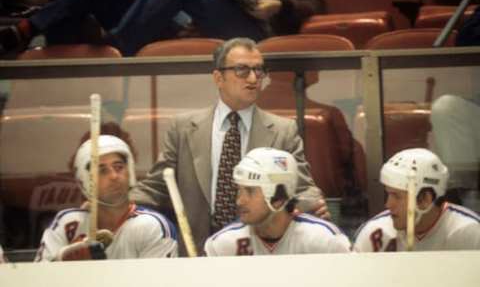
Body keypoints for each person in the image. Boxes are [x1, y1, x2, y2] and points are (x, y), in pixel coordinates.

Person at [129, 37, 329, 255]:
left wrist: (312, 204)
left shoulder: (283, 131)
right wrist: (113, 204)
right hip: (196, 253)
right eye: (242, 70)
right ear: (218, 77)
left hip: (254, 252)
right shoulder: (183, 128)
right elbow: (157, 187)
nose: (253, 78)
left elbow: (303, 189)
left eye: (259, 70)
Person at [0, 0, 326, 56]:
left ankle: (120, 46)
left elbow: (318, 2)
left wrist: (280, 6)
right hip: (192, 23)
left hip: (251, 28)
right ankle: (29, 26)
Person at [35, 134, 178, 261]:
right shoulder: (67, 224)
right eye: (102, 171)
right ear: (83, 181)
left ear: (130, 172)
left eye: (119, 167)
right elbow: (35, 280)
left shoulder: (152, 226)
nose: (114, 176)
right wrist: (63, 261)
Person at [204, 147, 351, 256]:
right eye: (239, 190)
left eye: (250, 191)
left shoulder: (325, 242)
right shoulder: (220, 246)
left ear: (279, 197)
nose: (239, 201)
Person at [353, 148, 480, 252]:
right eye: (388, 194)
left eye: (396, 196)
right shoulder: (374, 233)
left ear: (425, 199)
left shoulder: (470, 232)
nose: (388, 205)